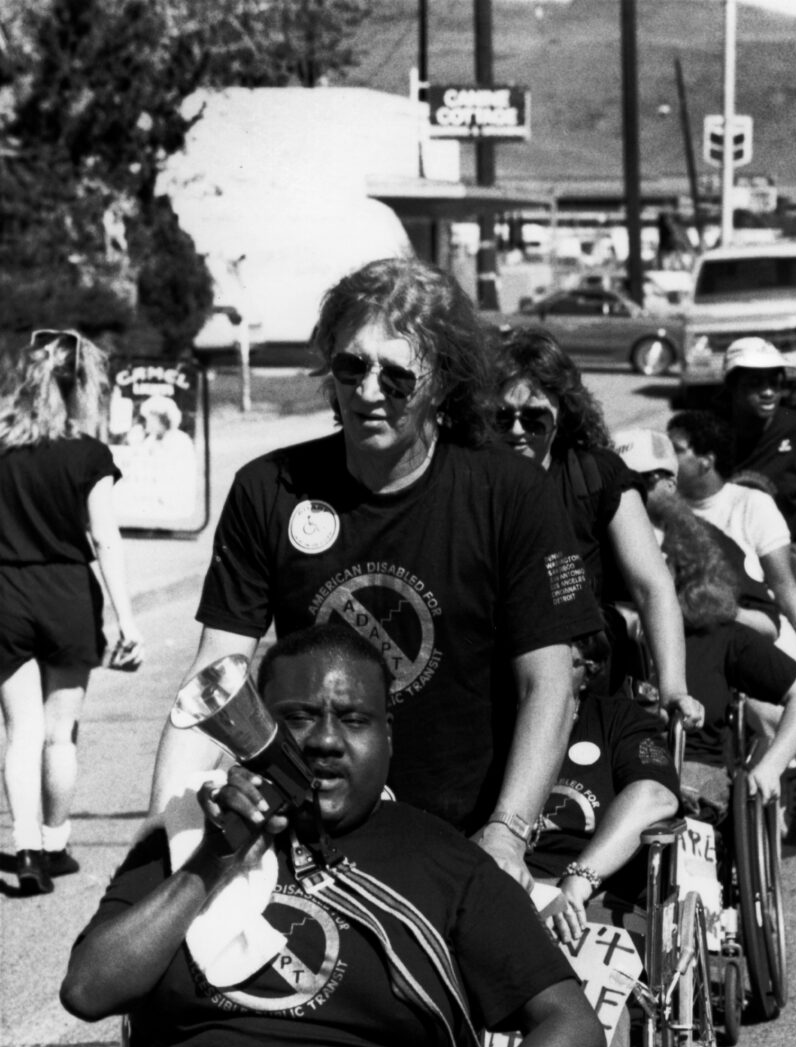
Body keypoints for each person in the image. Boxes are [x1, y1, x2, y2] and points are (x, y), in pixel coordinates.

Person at [59, 623, 606, 1047]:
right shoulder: (188, 836)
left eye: (352, 719)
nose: (321, 740)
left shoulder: (446, 863)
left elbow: (572, 1023)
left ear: (387, 737)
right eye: (294, 718)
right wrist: (212, 865)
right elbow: (87, 988)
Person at [150, 257, 601, 892]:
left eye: (396, 375)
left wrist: (507, 833)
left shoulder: (511, 492)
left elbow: (548, 689)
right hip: (309, 831)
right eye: (351, 366)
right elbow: (213, 677)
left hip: (468, 830)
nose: (368, 391)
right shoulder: (267, 490)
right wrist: (165, 837)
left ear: (441, 382)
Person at [526, 630, 682, 1047]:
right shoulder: (493, 724)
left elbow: (654, 797)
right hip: (508, 889)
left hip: (597, 895)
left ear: (584, 667)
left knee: (591, 954)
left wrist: (577, 879)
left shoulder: (617, 721)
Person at [491, 327, 700, 724]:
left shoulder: (596, 475)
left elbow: (651, 586)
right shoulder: (469, 477)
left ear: (562, 412)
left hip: (583, 662)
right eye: (503, 419)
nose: (518, 431)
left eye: (534, 419)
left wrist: (673, 689)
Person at [0, 329, 143, 897]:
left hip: (6, 590)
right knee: (60, 734)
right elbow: (106, 540)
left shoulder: (3, 446)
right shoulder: (89, 455)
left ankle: (27, 847)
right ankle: (57, 845)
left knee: (20, 731)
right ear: (85, 387)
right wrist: (128, 620)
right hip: (66, 594)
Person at [657, 498, 796, 815]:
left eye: (660, 558)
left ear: (682, 564)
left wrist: (771, 766)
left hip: (695, 779)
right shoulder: (612, 627)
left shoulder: (719, 633)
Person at [662, 410, 796, 651]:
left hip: (750, 620)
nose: (664, 458)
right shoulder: (662, 509)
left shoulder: (751, 504)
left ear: (706, 461)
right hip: (683, 621)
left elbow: (782, 581)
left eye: (675, 450)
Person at [720, 338, 796, 543]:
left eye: (775, 382)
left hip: (789, 554)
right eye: (755, 384)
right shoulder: (710, 432)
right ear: (732, 385)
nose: (768, 392)